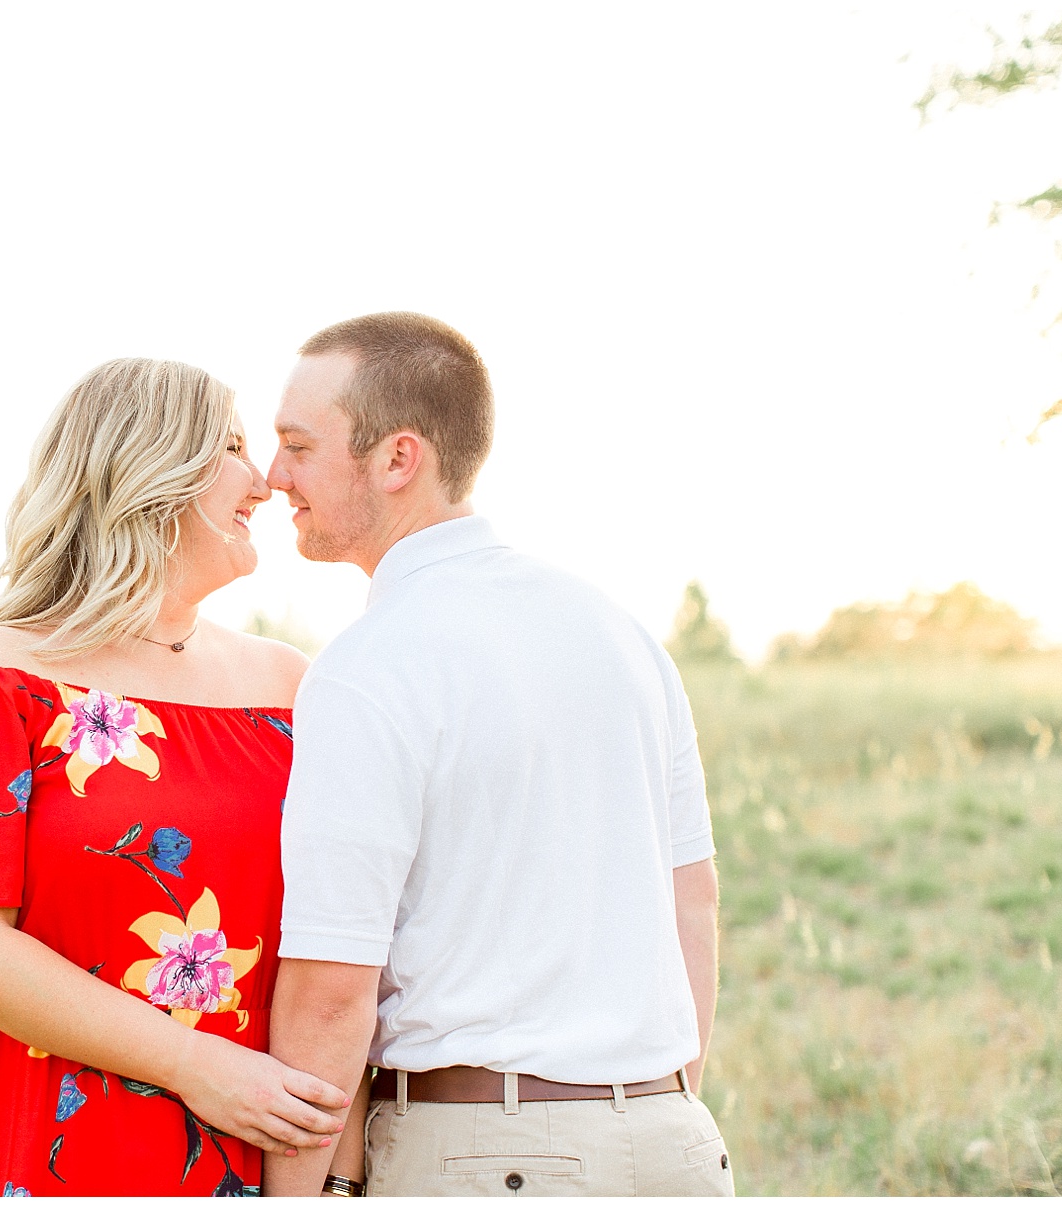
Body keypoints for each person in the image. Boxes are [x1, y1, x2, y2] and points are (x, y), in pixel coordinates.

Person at [0, 358, 351, 1197]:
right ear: (147, 470)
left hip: (276, 1146)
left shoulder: (296, 687)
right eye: (230, 445)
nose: (264, 480)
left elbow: (350, 935)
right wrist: (198, 1066)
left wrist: (336, 1174)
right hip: (59, 1141)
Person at [260, 313, 733, 1197]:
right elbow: (693, 904)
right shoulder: (621, 635)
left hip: (486, 1159)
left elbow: (332, 987)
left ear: (399, 459)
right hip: (677, 1146)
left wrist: (297, 1194)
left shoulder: (368, 667)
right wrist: (646, 1114)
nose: (272, 475)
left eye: (296, 446)